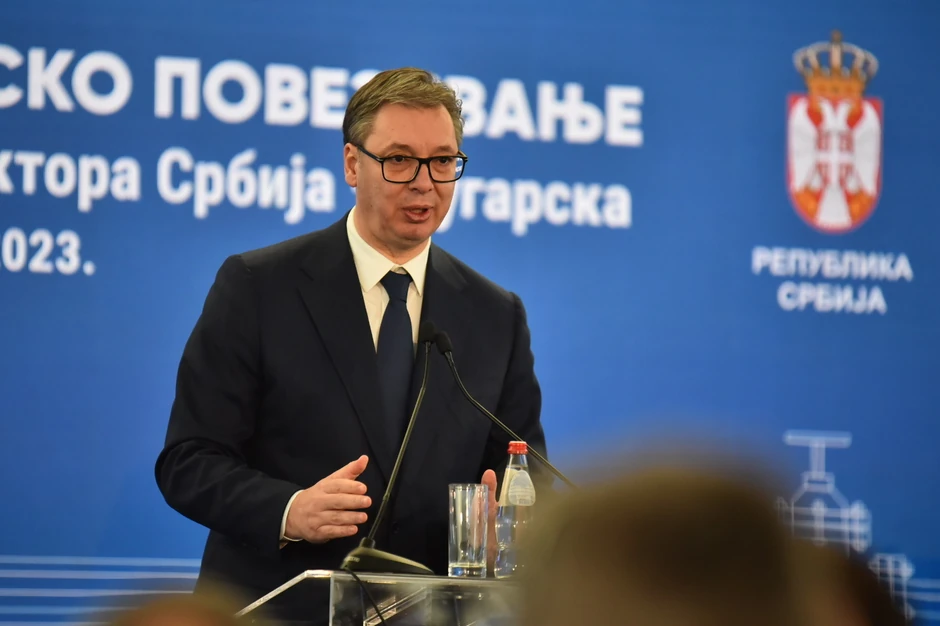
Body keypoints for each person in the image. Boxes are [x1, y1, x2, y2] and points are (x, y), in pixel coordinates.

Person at [154, 67, 548, 624]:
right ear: (351, 164)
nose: (425, 182)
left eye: (442, 161)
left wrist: (506, 528)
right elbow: (189, 460)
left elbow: (523, 472)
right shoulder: (259, 287)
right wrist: (289, 510)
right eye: (400, 159)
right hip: (280, 608)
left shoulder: (494, 315)